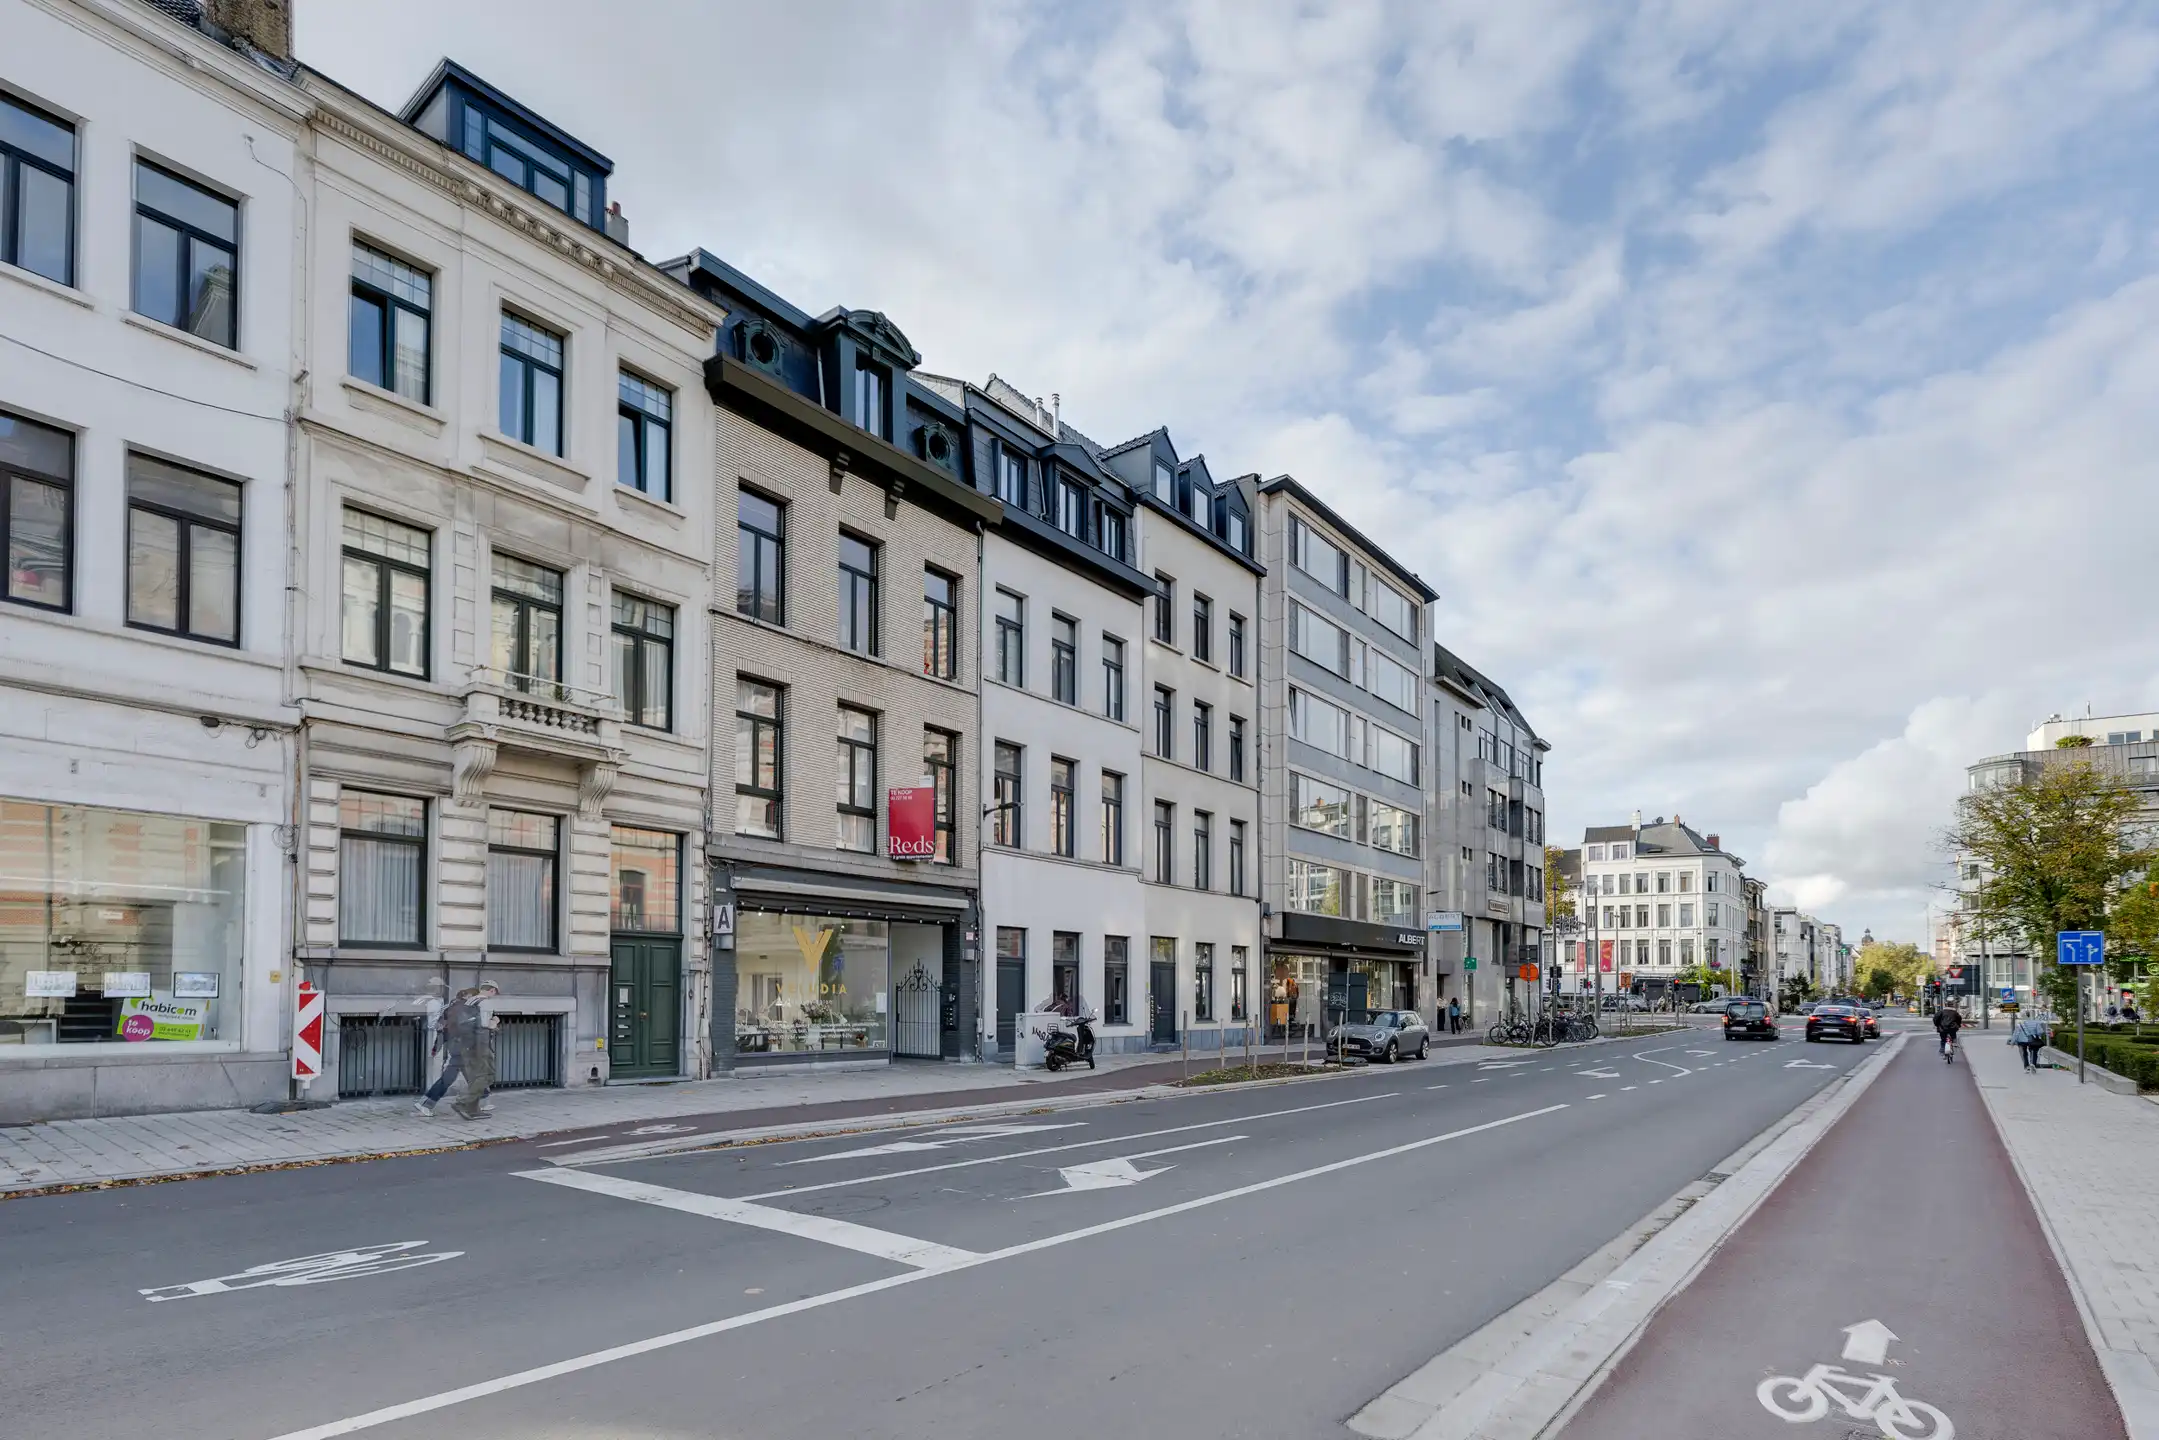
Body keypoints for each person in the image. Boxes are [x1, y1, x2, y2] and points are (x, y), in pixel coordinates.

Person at [434, 983, 500, 1120]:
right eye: (495, 993)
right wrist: (494, 1021)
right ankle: (462, 1103)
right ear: (492, 990)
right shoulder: (485, 1003)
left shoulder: (469, 1001)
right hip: (480, 1044)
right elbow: (485, 1024)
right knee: (487, 1075)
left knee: (474, 1076)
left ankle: (472, 1110)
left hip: (464, 1043)